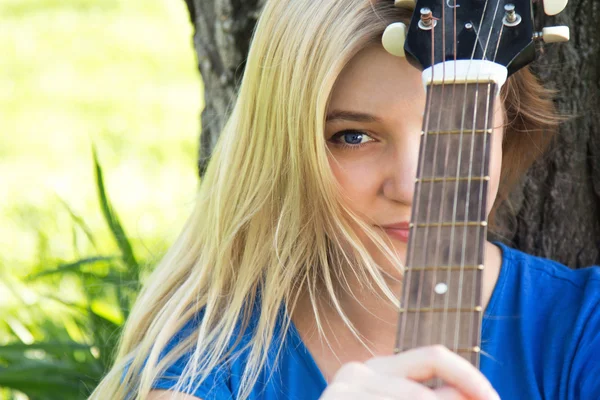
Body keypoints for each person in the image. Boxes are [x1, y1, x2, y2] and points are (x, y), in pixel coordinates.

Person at [90, 1, 600, 399]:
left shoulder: (582, 331)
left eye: (456, 128)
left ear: (507, 126)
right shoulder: (207, 366)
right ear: (288, 150)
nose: (411, 188)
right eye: (353, 136)